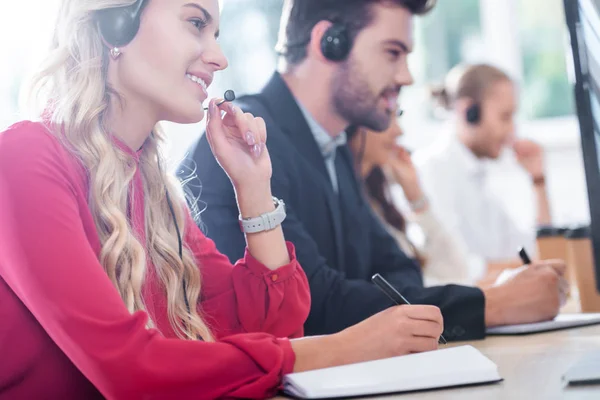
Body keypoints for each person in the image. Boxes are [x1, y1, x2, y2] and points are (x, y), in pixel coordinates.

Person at [0, 1, 446, 399]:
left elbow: (271, 329)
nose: (219, 57)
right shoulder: (24, 159)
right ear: (116, 24)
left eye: (216, 34)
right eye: (196, 23)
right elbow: (131, 373)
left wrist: (254, 188)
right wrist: (345, 348)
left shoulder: (154, 191)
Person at [186, 0, 567, 341]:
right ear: (328, 42)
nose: (406, 77)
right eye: (393, 53)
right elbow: (317, 307)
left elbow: (398, 269)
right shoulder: (242, 144)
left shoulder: (332, 149)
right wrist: (492, 305)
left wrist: (364, 301)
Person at [413, 63, 553, 280]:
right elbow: (460, 268)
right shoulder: (431, 172)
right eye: (505, 117)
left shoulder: (478, 178)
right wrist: (534, 269)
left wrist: (538, 181)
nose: (511, 131)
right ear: (469, 112)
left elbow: (534, 250)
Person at [347, 110, 473, 286]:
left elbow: (456, 271)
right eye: (386, 116)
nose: (399, 131)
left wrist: (416, 198)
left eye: (396, 117)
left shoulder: (378, 204)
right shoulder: (348, 209)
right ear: (351, 125)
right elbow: (421, 289)